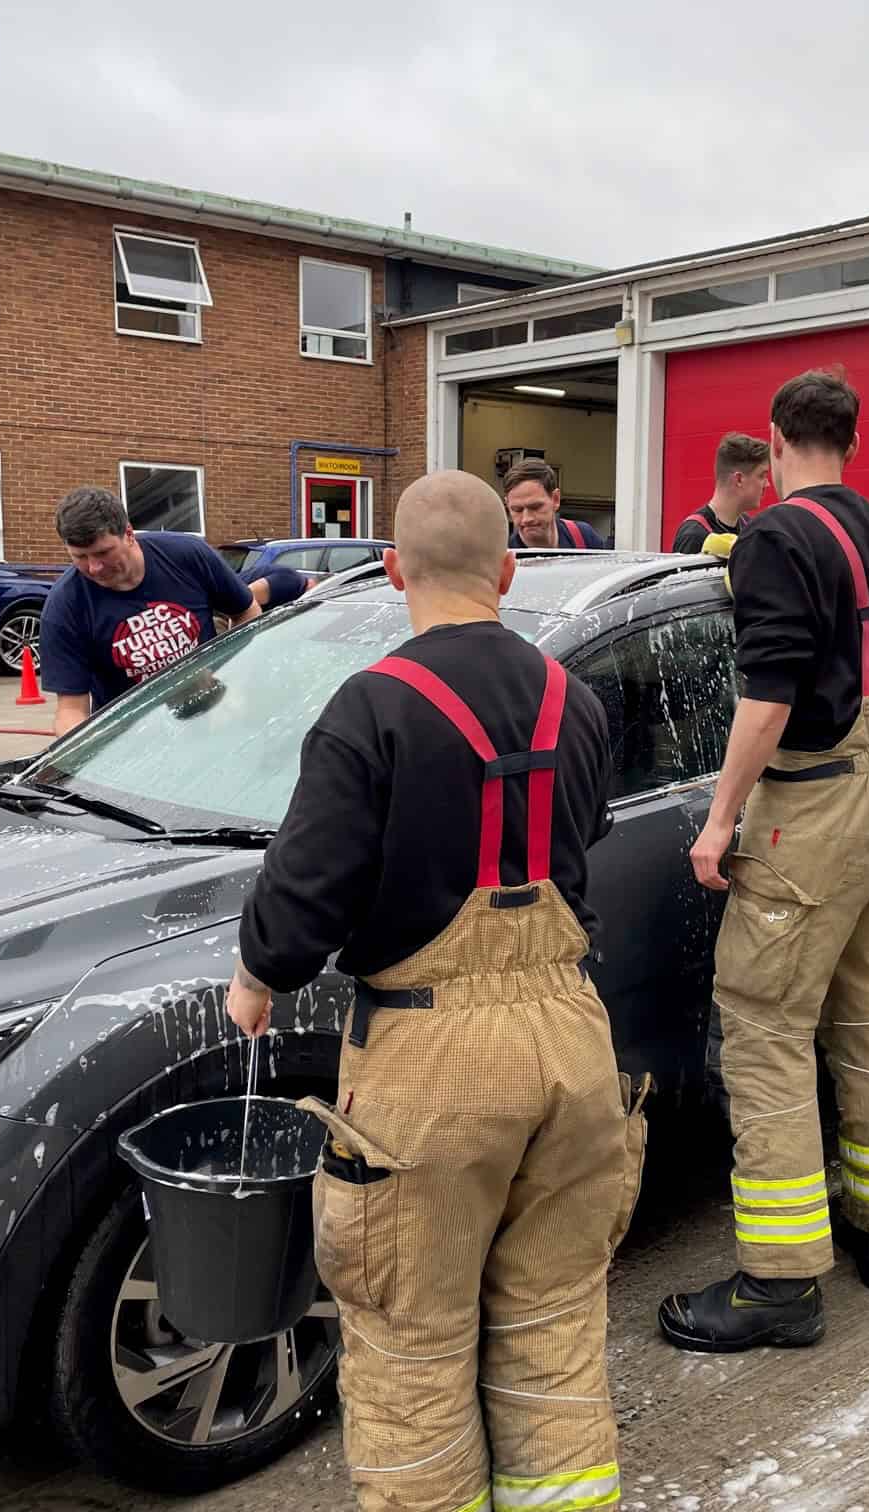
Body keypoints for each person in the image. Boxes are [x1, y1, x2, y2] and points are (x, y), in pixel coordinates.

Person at [227, 470, 644, 1512]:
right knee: (552, 1322)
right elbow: (576, 840)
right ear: (508, 573)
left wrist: (255, 980)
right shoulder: (578, 701)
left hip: (433, 1061)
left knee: (413, 1343)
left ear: (396, 571)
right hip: (573, 1046)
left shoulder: (370, 709)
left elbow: (302, 897)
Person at [658, 369, 869, 1354]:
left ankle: (779, 1285)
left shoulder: (776, 536)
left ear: (773, 445)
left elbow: (766, 696)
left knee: (766, 1028)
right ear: (851, 442)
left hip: (812, 803)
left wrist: (720, 820)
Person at [39, 487, 263, 736]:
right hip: (134, 741)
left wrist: (239, 684)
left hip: (212, 716)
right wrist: (79, 757)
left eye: (103, 552)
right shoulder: (65, 607)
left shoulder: (186, 556)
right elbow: (70, 710)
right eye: (80, 556)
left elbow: (246, 611)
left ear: (129, 534)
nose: (94, 567)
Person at [671, 433, 770, 553]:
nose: (767, 484)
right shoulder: (693, 536)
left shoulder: (749, 528)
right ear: (739, 479)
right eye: (761, 476)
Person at [502, 459, 610, 549]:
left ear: (555, 499)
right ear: (507, 504)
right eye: (517, 509)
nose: (527, 519)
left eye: (535, 507)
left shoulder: (583, 537)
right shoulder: (502, 557)